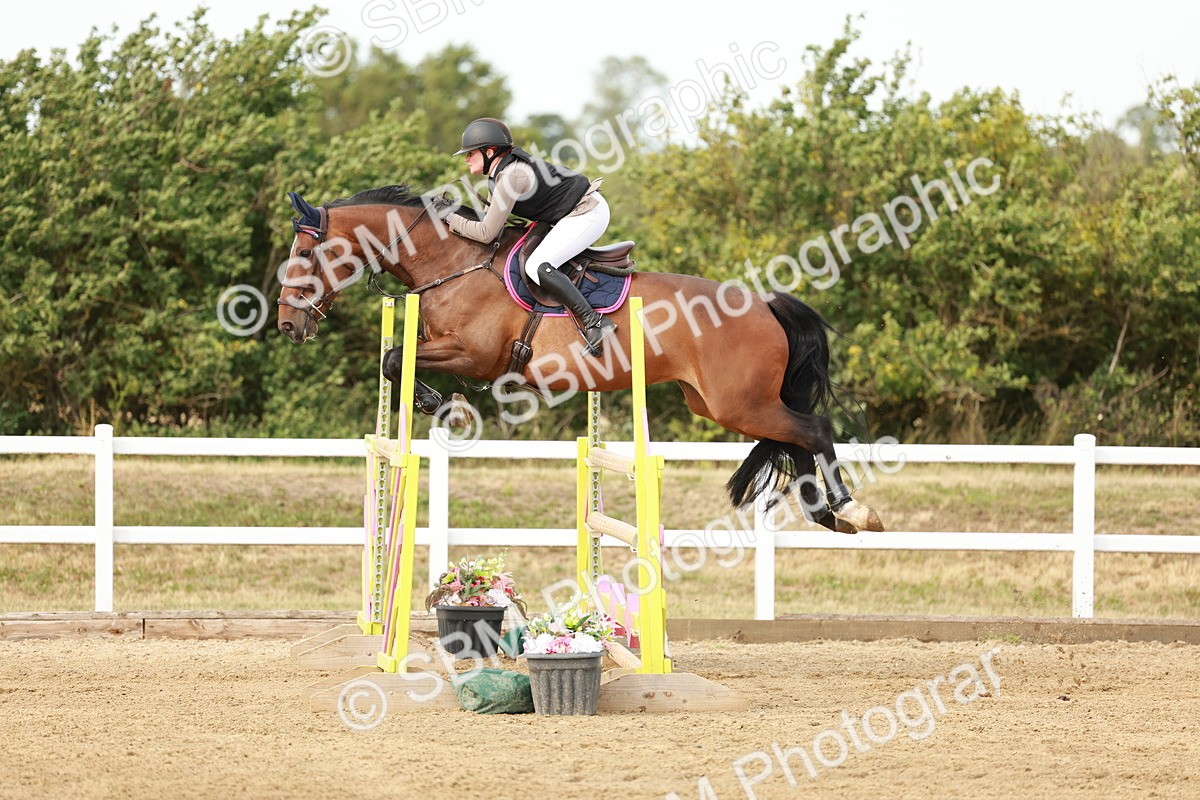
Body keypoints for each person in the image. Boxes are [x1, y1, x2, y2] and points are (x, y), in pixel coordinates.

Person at [446, 117, 617, 356]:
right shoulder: (500, 174)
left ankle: (595, 322)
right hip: (568, 214)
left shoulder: (509, 177)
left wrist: (449, 219)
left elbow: (486, 234)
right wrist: (454, 215)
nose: (466, 158)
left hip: (587, 212)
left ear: (490, 152)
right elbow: (487, 224)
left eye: (471, 153)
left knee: (538, 265)